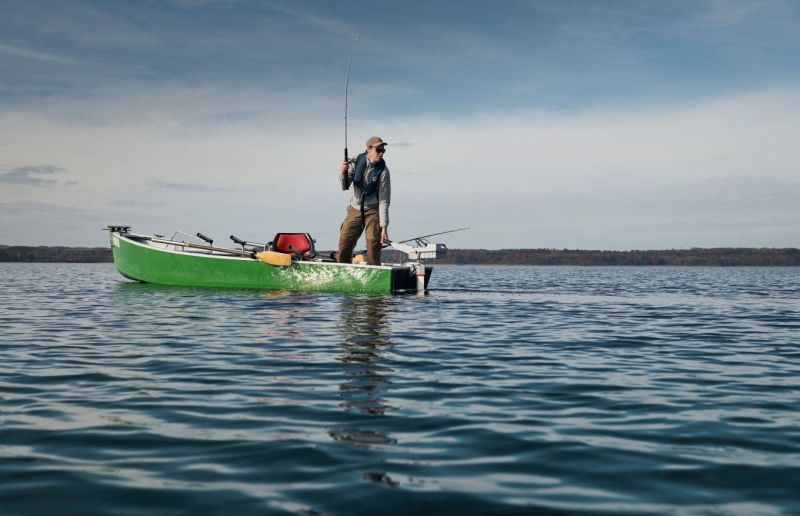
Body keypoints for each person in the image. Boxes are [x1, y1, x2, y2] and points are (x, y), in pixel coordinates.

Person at [337, 136, 391, 265]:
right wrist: (342, 172)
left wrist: (384, 226)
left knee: (373, 243)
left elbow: (384, 201)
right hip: (354, 208)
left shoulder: (383, 171)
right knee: (344, 243)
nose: (381, 153)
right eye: (378, 150)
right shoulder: (356, 161)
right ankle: (343, 269)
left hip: (373, 210)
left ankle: (374, 270)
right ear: (369, 149)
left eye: (383, 150)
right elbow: (345, 186)